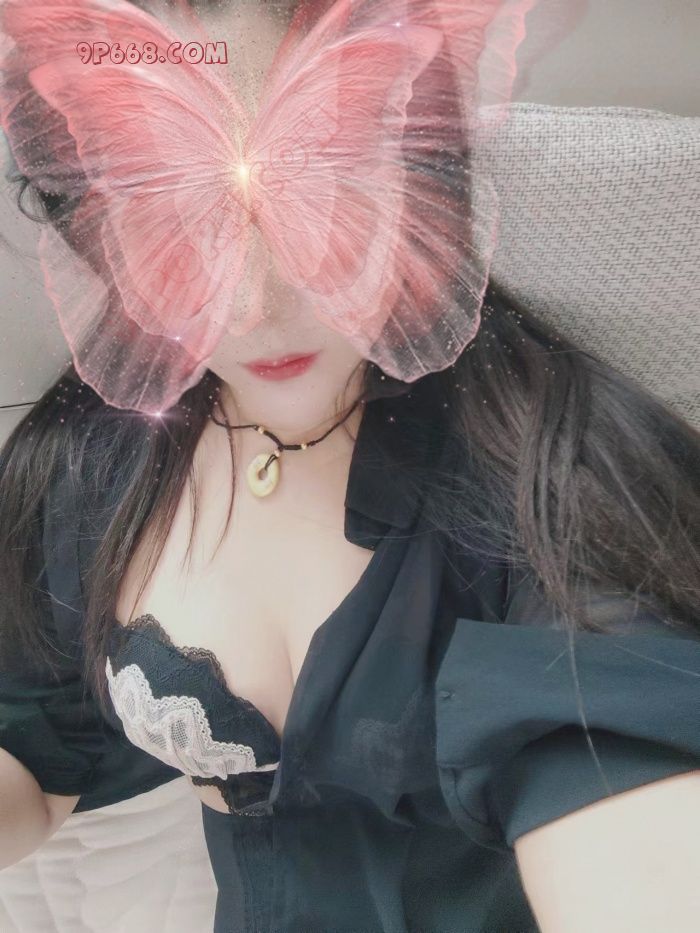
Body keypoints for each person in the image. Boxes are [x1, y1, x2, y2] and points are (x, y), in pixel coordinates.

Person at [0, 1, 699, 931]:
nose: (252, 307)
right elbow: (37, 735)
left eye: (320, 189)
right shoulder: (93, 458)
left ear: (421, 169)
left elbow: (625, 785)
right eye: (175, 213)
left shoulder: (556, 469)